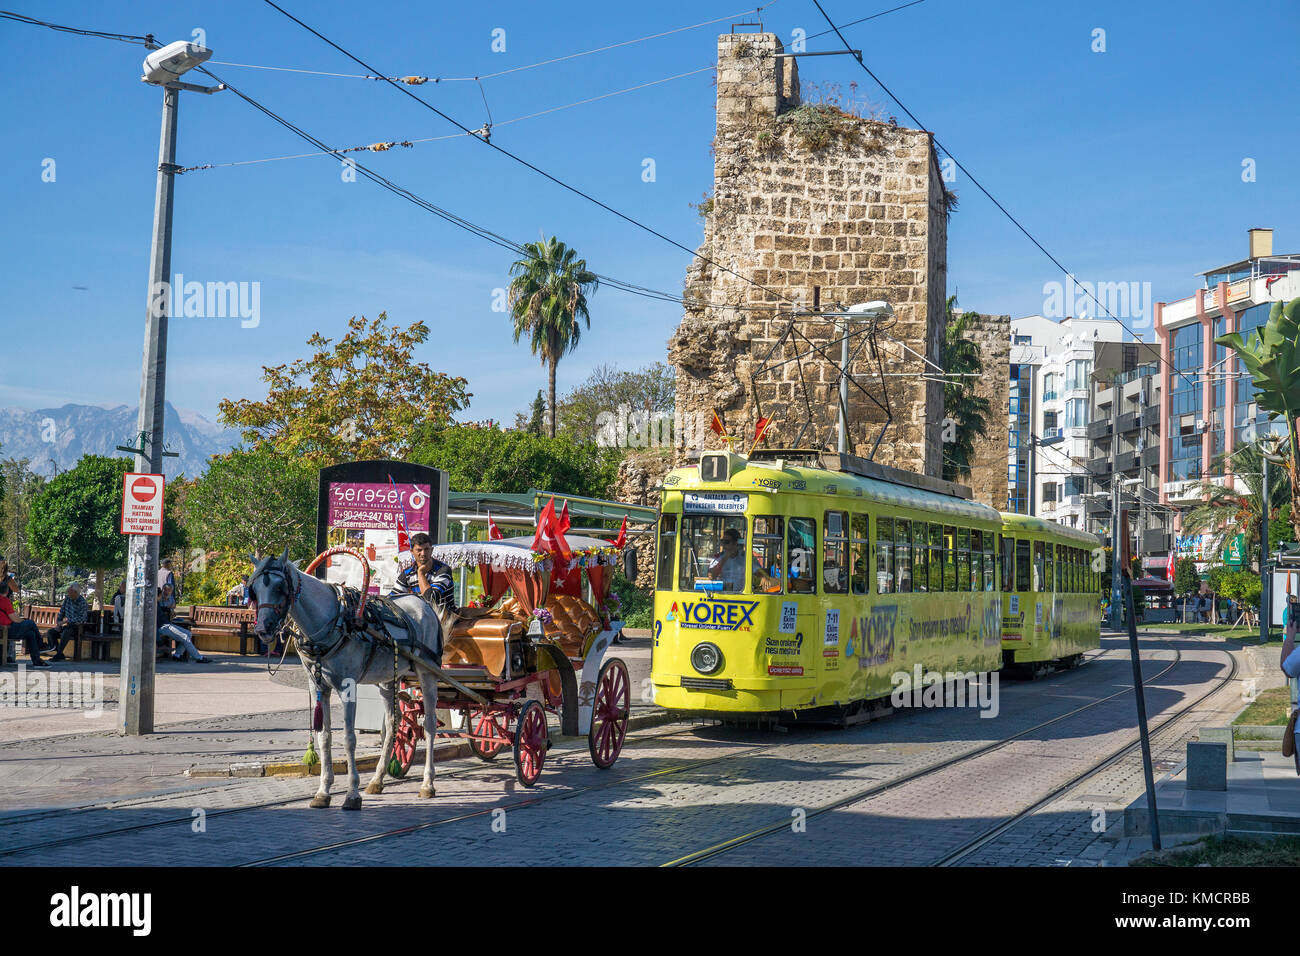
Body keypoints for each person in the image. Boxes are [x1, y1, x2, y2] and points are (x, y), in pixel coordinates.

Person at [391, 532, 456, 612]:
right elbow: (393, 598)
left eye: (426, 549)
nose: (423, 553)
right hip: (421, 619)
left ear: (431, 550)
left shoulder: (443, 570)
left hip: (446, 620)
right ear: (412, 552)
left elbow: (431, 599)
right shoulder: (407, 573)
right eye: (419, 550)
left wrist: (421, 573)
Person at [707, 527, 770, 593]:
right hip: (722, 595)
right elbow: (711, 576)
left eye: (727, 542)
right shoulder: (719, 557)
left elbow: (758, 571)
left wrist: (763, 577)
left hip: (741, 595)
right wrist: (725, 558)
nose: (723, 545)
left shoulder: (745, 557)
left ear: (735, 543)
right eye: (722, 542)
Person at [0, 585, 47, 667]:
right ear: (7, 591)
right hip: (7, 631)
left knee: (31, 634)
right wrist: (23, 621)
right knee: (31, 623)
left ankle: (36, 660)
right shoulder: (4, 600)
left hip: (2, 630)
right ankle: (41, 645)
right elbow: (15, 619)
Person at [46, 584, 89, 662]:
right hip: (67, 625)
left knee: (66, 632)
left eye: (70, 592)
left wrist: (67, 621)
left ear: (76, 592)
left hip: (78, 627)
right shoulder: (67, 599)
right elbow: (61, 612)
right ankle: (60, 654)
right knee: (51, 632)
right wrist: (58, 623)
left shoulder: (82, 602)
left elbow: (82, 618)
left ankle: (58, 654)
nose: (68, 594)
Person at [157, 558, 176, 626]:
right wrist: (174, 601)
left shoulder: (157, 572)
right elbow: (170, 587)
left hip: (158, 597)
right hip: (166, 598)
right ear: (168, 564)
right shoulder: (169, 573)